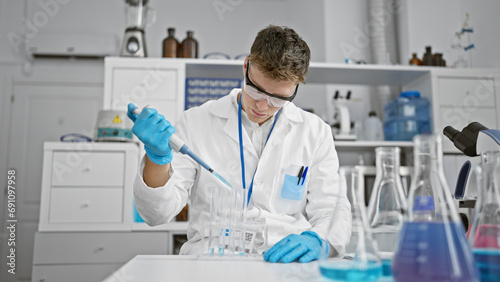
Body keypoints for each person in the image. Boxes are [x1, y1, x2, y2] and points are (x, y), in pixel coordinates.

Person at [127, 25, 351, 263]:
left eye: (278, 99)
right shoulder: (196, 122)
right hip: (213, 261)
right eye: (257, 91)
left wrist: (317, 239)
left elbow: (332, 209)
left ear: (295, 88)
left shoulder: (314, 132)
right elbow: (156, 214)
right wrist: (156, 159)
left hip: (285, 259)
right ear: (246, 67)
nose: (262, 106)